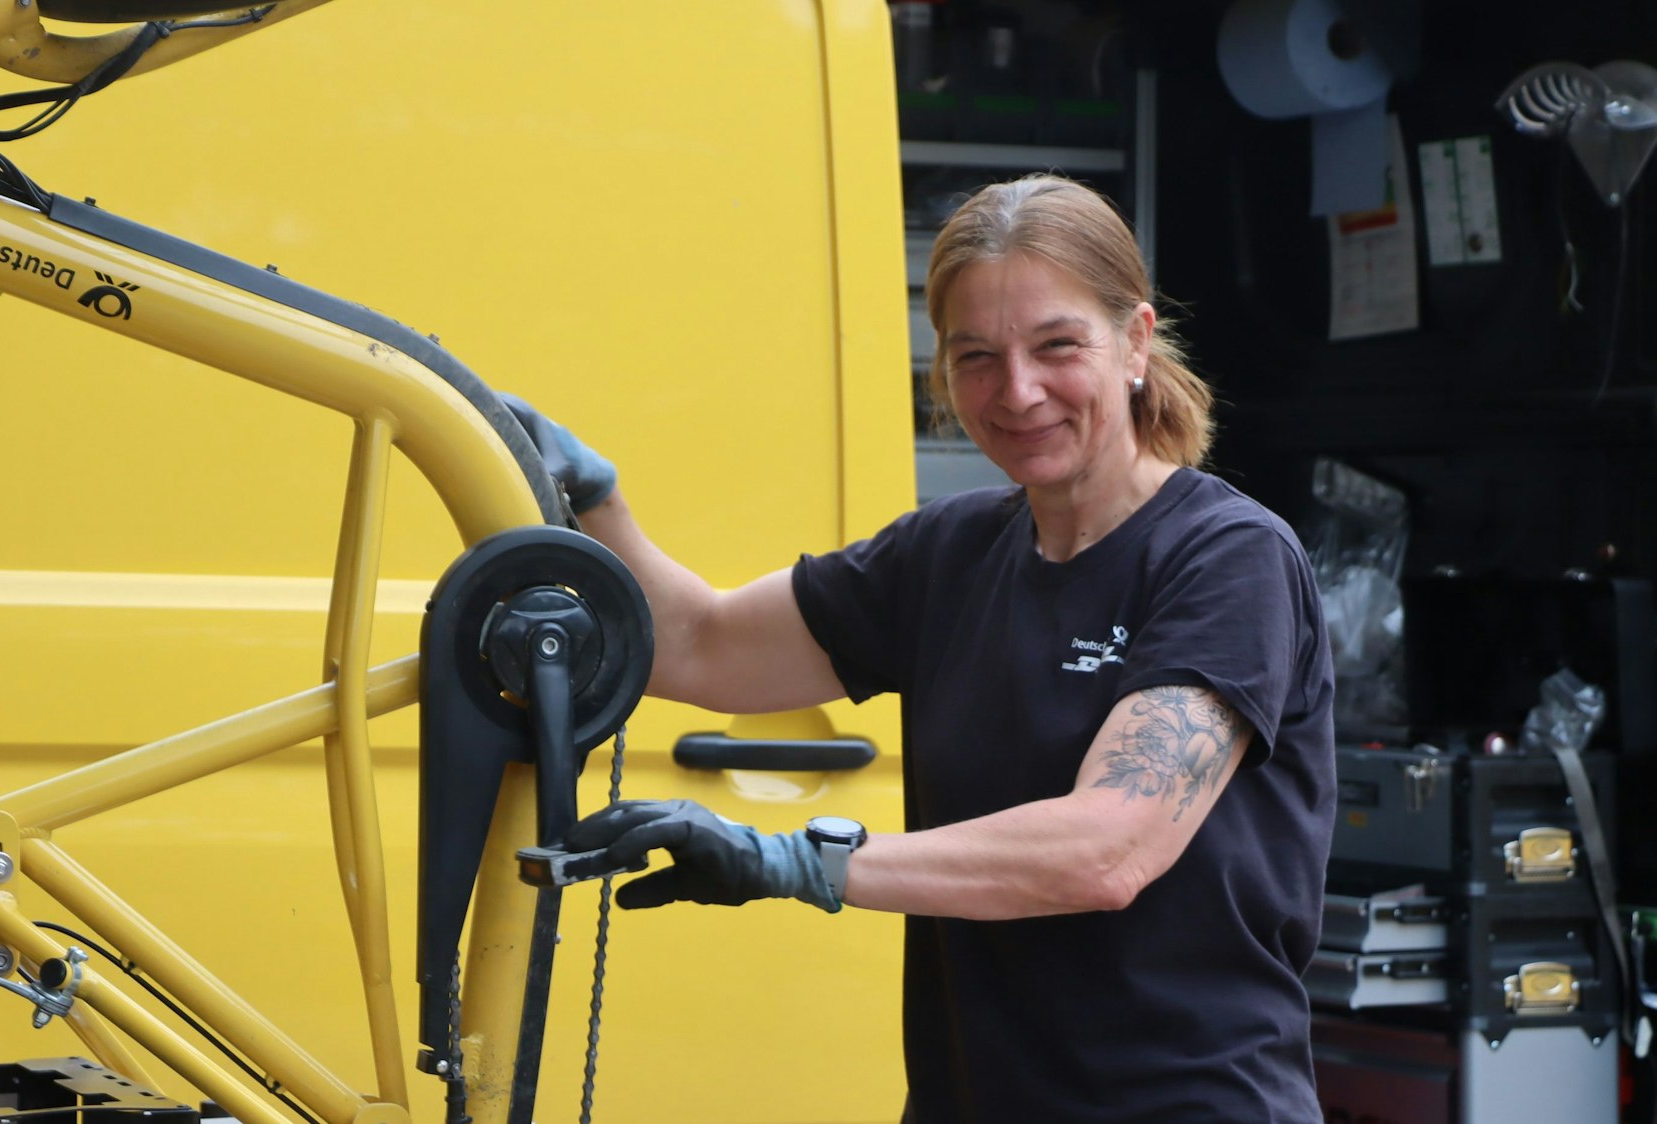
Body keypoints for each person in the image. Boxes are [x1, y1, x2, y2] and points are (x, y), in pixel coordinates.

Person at [505, 173, 1335, 1122]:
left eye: (1056, 346)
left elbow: (1106, 849)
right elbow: (697, 644)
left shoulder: (1225, 558)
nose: (1017, 391)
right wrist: (593, 500)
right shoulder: (948, 553)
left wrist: (797, 862)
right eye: (976, 356)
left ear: (1135, 341)